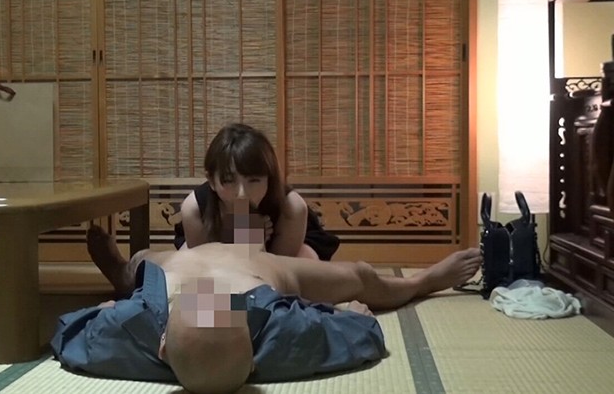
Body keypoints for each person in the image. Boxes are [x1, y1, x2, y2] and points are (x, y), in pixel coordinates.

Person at [53, 224, 482, 394]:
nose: (209, 295)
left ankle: (122, 272)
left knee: (142, 261)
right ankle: (423, 281)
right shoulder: (280, 327)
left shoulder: (130, 328)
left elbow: (68, 330)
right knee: (360, 275)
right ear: (257, 357)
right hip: (257, 271)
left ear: (162, 345)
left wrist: (104, 312)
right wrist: (356, 316)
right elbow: (363, 335)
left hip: (167, 273)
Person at [174, 122, 339, 261]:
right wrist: (232, 239)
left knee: (305, 263)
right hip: (216, 246)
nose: (242, 194)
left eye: (253, 180)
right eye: (229, 181)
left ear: (268, 178)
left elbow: (278, 275)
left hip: (280, 254)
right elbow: (204, 268)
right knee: (184, 261)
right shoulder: (194, 208)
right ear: (211, 181)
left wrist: (255, 245)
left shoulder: (292, 207)